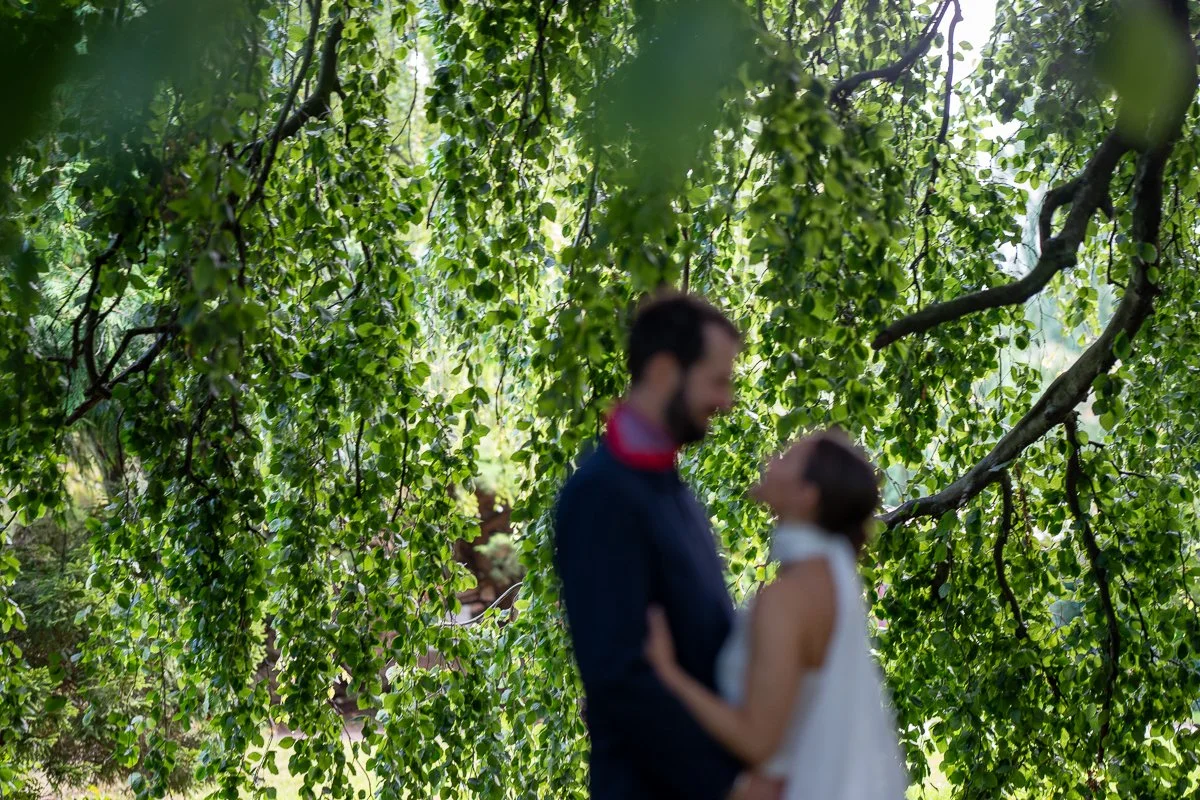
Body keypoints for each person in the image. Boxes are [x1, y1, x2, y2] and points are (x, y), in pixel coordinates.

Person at [553, 292, 783, 799]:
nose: (726, 401)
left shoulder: (672, 489)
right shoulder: (600, 495)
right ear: (662, 371)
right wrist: (728, 785)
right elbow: (620, 677)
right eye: (717, 381)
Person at [644, 430, 910, 799]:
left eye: (787, 458)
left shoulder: (788, 597)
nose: (771, 460)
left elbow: (758, 741)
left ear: (807, 495)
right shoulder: (829, 579)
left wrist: (669, 675)